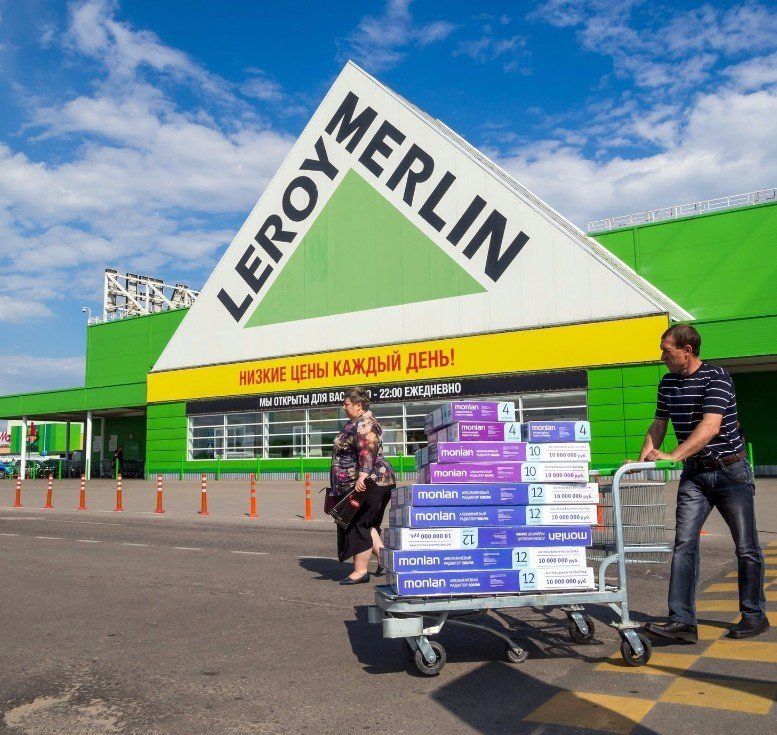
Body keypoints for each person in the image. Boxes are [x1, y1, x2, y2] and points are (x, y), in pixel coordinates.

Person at [637, 324, 768, 642]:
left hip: (730, 472)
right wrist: (642, 461)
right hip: (695, 475)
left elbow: (710, 427)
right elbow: (659, 424)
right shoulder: (667, 383)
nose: (662, 356)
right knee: (684, 545)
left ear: (687, 350)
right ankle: (682, 621)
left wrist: (673, 455)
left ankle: (754, 615)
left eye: (666, 350)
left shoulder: (717, 377)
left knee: (746, 547)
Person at [328, 387, 396, 585]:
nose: (343, 406)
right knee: (367, 523)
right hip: (374, 481)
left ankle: (360, 571)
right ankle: (387, 560)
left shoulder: (364, 423)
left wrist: (362, 476)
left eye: (346, 403)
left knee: (359, 523)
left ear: (358, 405)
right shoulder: (357, 422)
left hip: (371, 481)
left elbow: (367, 450)